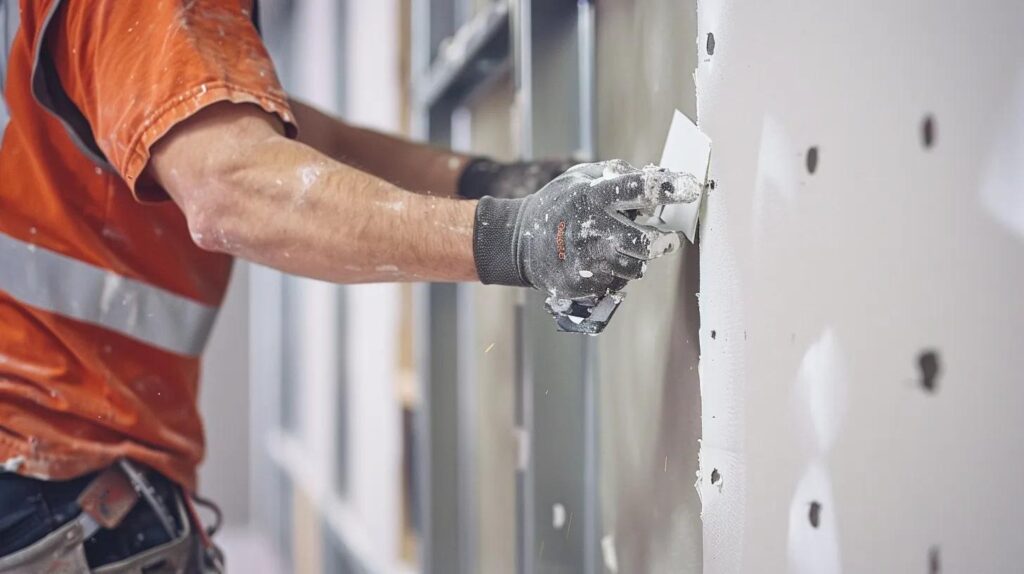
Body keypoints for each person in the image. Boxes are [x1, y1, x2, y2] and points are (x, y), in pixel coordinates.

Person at [0, 1, 695, 571]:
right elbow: (231, 189)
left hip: (53, 482)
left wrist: (484, 181)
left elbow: (273, 133)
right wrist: (517, 237)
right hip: (50, 489)